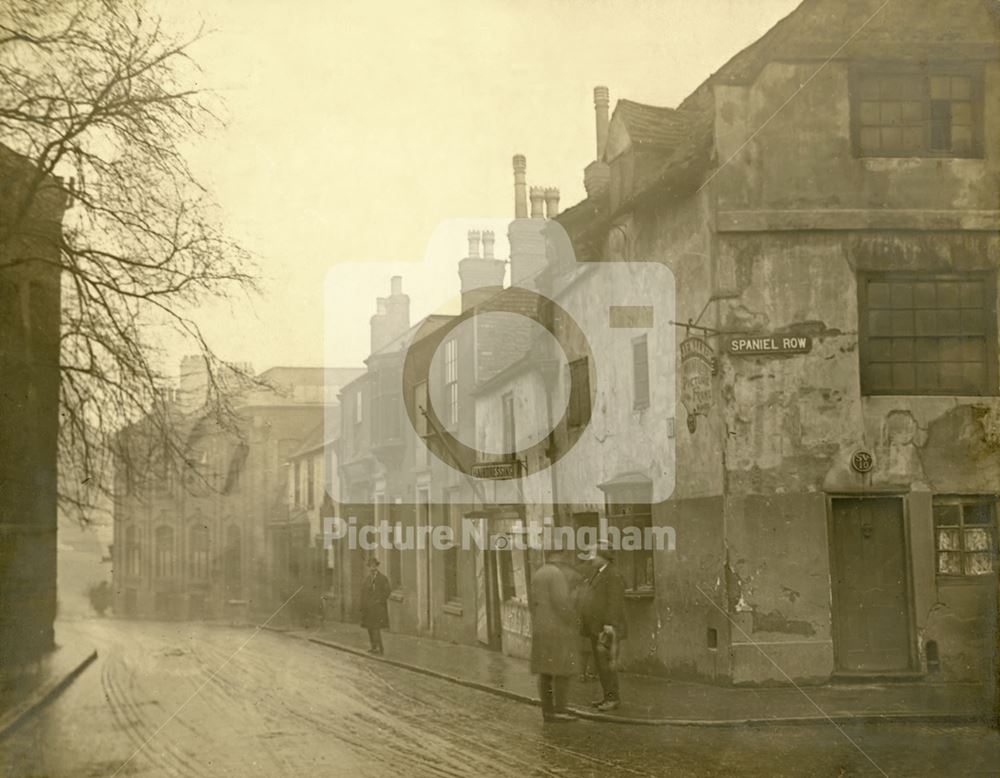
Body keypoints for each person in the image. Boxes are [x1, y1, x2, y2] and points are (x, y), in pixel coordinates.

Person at [529, 547, 582, 723]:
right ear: (558, 555)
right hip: (557, 629)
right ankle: (560, 710)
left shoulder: (539, 573)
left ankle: (548, 711)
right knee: (562, 670)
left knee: (545, 671)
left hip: (541, 628)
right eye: (563, 554)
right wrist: (575, 621)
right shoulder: (556, 574)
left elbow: (533, 602)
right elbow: (562, 603)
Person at [578, 542, 627, 711]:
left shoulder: (613, 574)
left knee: (606, 664)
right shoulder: (598, 572)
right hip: (595, 627)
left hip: (607, 629)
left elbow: (615, 602)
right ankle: (607, 696)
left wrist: (609, 624)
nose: (591, 558)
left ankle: (613, 699)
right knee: (601, 665)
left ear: (603, 556)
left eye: (594, 554)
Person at [359, 556, 391, 654]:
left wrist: (379, 600)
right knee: (370, 627)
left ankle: (380, 648)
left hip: (378, 607)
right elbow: (363, 593)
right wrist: (363, 606)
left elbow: (387, 591)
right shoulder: (367, 579)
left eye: (374, 565)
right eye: (370, 566)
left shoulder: (383, 578)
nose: (372, 568)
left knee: (376, 627)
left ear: (377, 566)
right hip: (368, 608)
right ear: (369, 567)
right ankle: (373, 647)